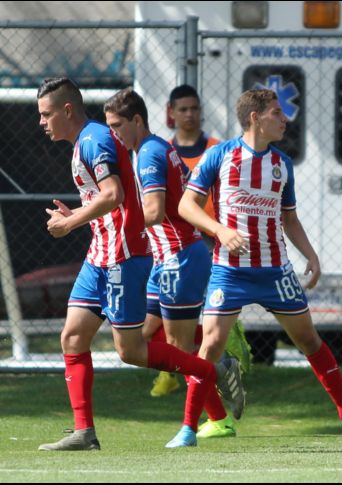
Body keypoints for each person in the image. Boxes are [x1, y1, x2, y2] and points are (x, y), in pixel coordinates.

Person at [36, 78, 241, 451]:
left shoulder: (96, 139)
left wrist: (71, 221)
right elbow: (109, 198)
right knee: (72, 337)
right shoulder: (88, 141)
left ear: (68, 110)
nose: (41, 122)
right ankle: (85, 432)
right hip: (99, 254)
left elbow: (114, 194)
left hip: (122, 257)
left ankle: (213, 369)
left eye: (46, 114)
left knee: (131, 350)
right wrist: (81, 213)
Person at [176, 88, 342, 448]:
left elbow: (289, 219)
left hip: (275, 271)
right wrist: (219, 229)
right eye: (277, 113)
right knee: (211, 345)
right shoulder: (220, 155)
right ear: (255, 117)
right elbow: (187, 205)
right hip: (229, 270)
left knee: (309, 341)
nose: (285, 119)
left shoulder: (281, 164)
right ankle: (189, 428)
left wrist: (311, 255)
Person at [103, 87, 242, 443]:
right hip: (167, 259)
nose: (113, 133)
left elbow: (154, 211)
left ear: (137, 120)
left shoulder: (148, 154)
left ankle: (212, 419)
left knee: (180, 353)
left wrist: (111, 222)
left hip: (180, 258)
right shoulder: (150, 148)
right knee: (145, 334)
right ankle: (219, 361)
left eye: (118, 125)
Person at [146, 84, 251, 398]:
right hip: (175, 243)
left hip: (210, 240)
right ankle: (176, 369)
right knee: (162, 317)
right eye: (183, 109)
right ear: (171, 113)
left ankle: (224, 354)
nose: (190, 114)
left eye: (195, 108)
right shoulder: (162, 151)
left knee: (211, 313)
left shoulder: (218, 149)